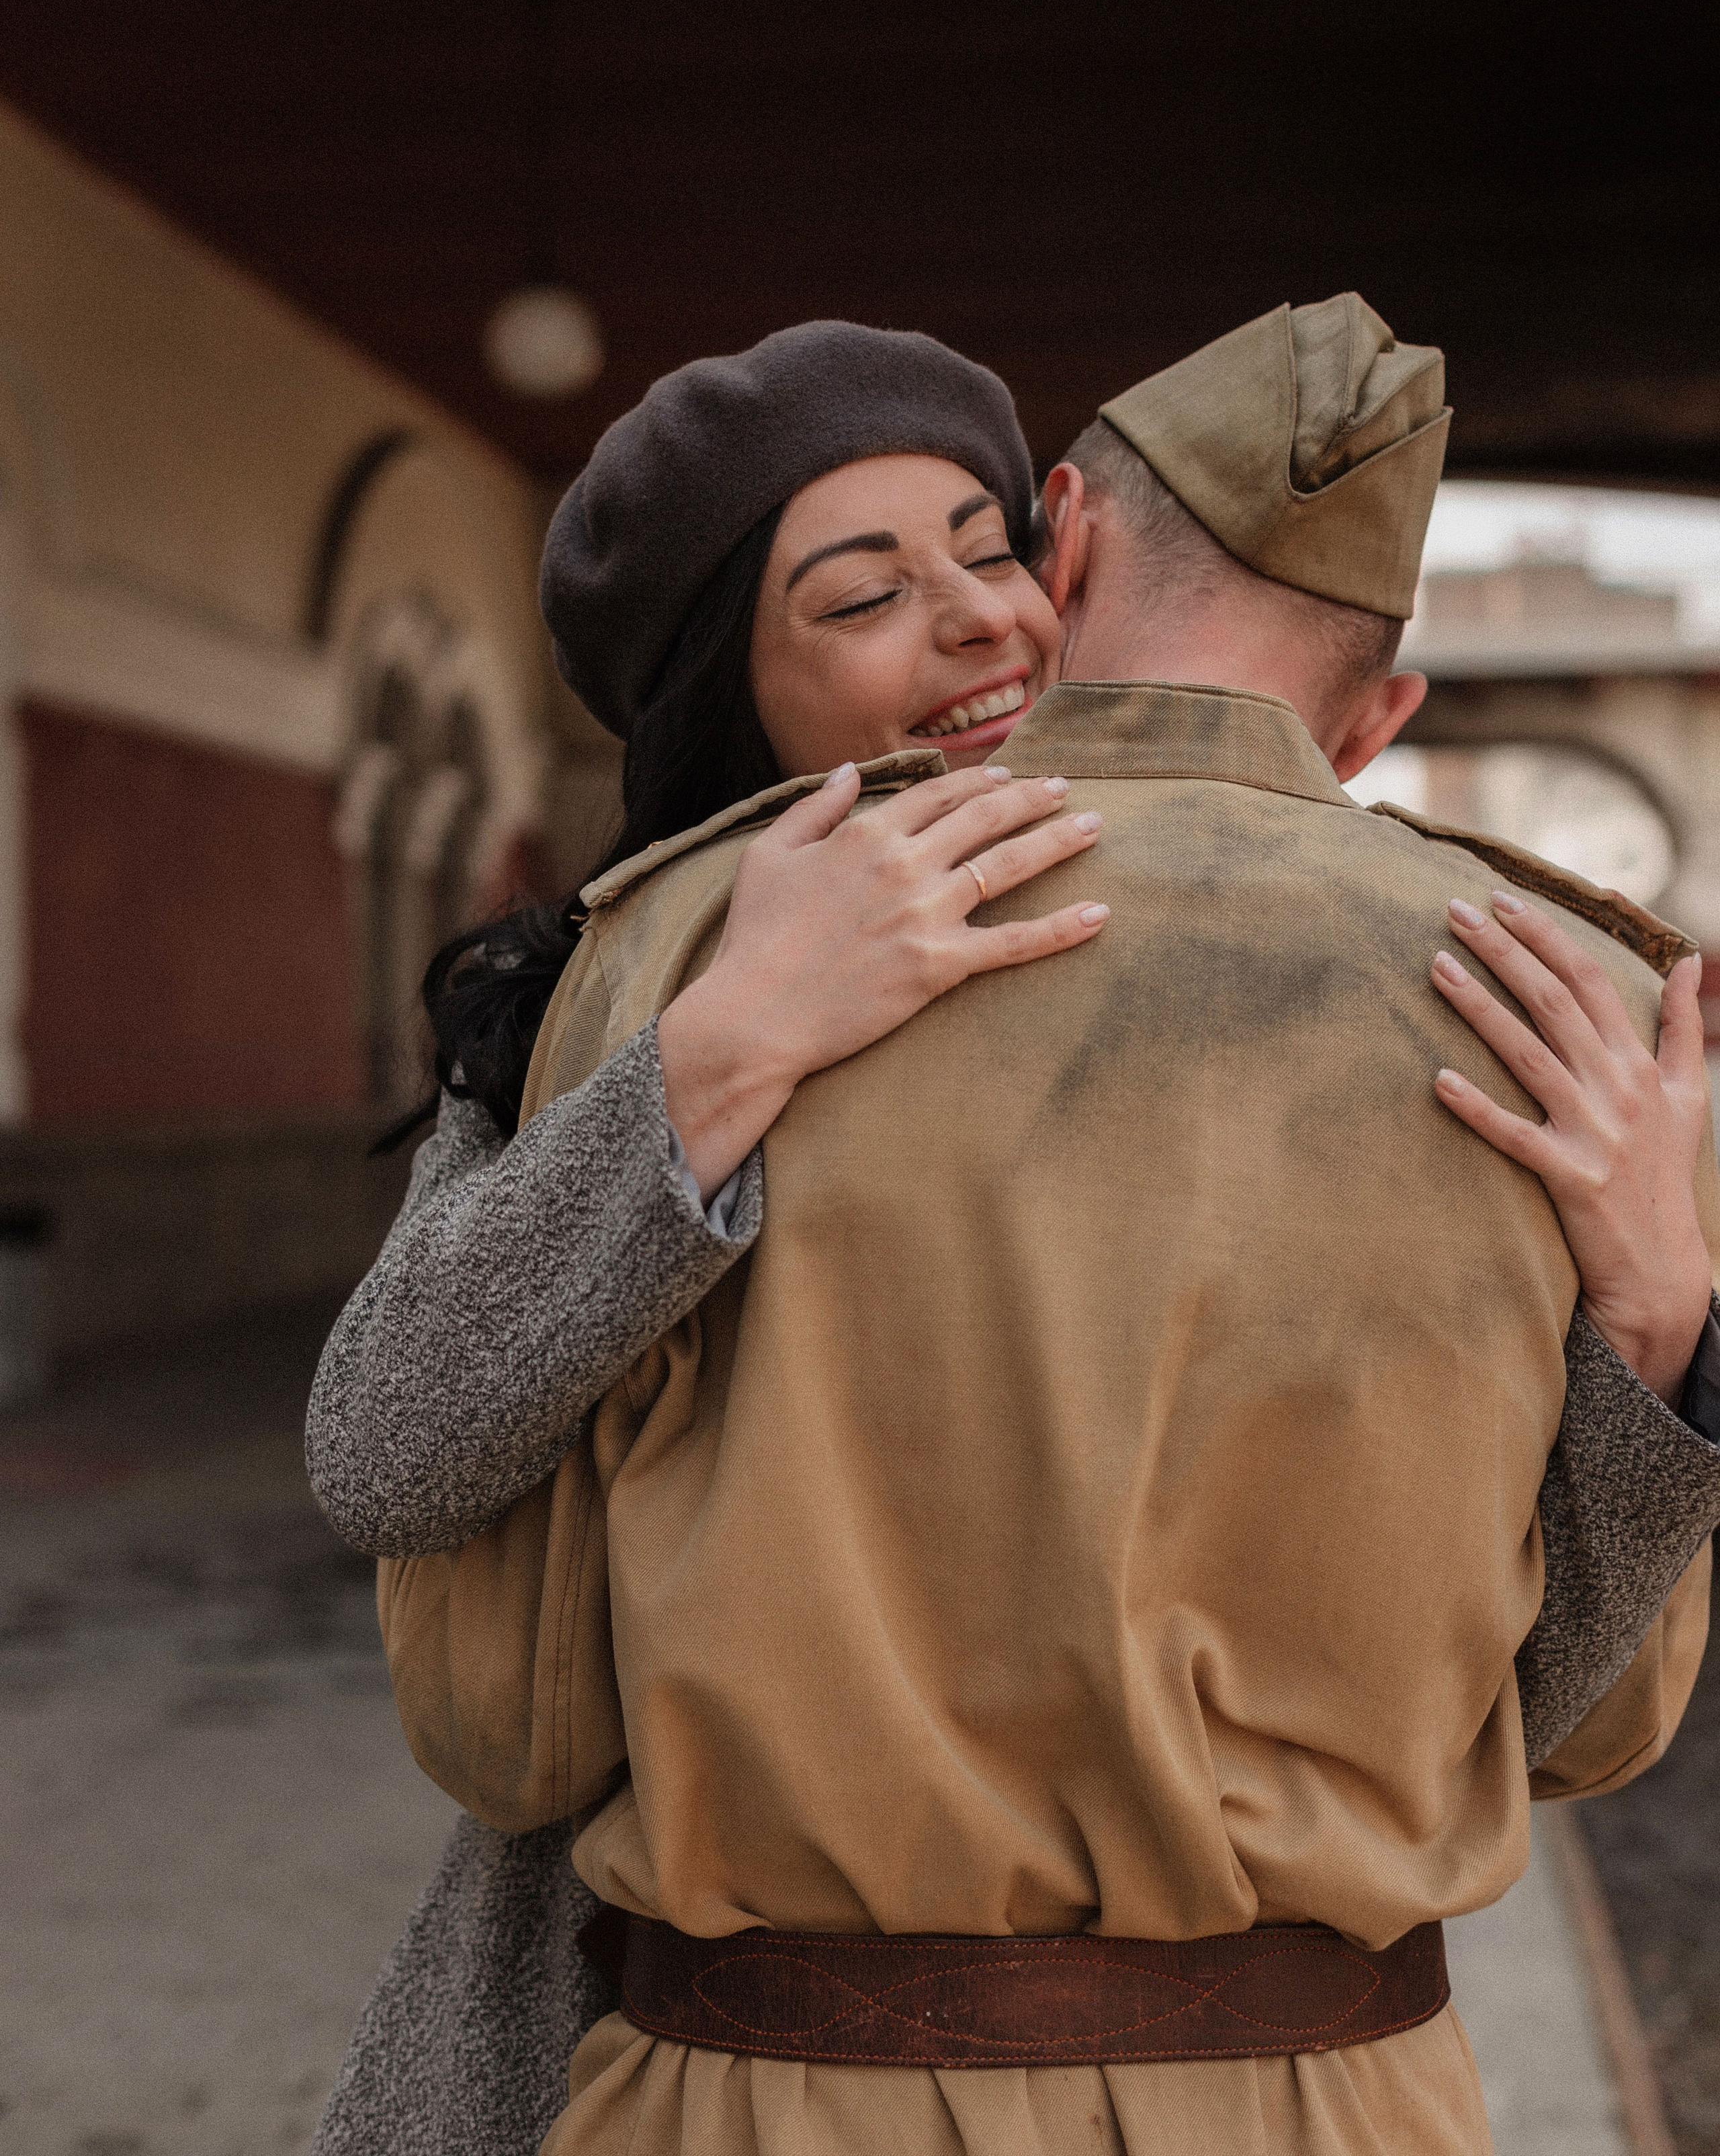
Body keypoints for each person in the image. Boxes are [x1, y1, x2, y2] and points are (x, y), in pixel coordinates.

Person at [311, 312, 1720, 2154]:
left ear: (1066, 541)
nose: (981, 620)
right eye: (859, 596)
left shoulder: (630, 967)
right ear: (718, 690)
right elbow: (1573, 1729)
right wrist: (720, 1054)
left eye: (989, 553)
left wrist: (1668, 1320)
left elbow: (513, 1718)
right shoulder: (621, 993)